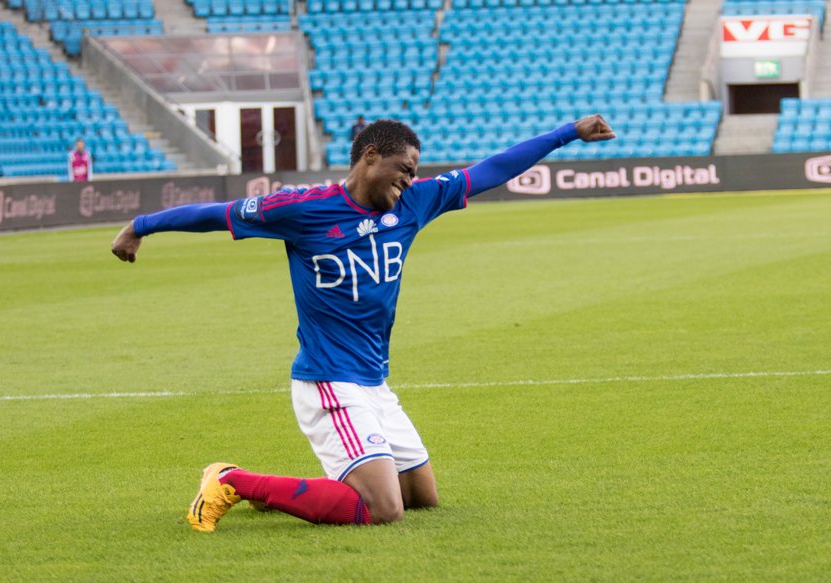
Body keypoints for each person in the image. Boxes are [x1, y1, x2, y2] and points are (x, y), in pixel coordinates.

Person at [111, 115, 616, 530]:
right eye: (404, 168)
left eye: (415, 172)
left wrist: (568, 132)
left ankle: (291, 496)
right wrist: (140, 227)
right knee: (382, 508)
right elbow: (213, 214)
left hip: (374, 383)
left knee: (421, 499)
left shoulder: (416, 203)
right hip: (329, 381)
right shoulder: (302, 209)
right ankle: (232, 480)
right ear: (370, 156)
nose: (410, 180)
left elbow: (491, 170)